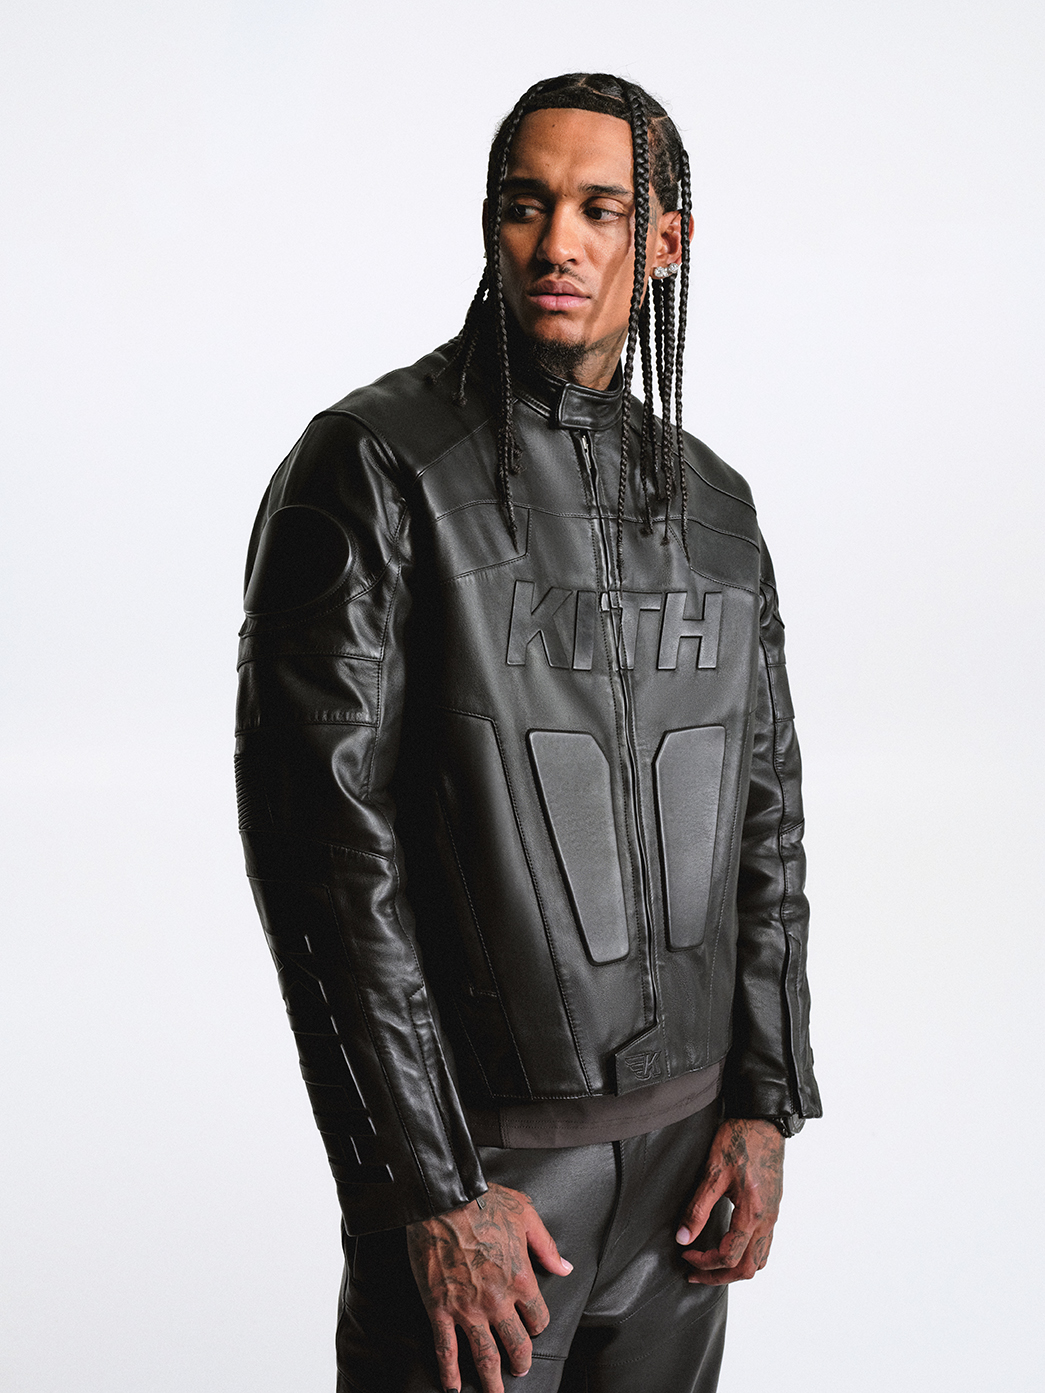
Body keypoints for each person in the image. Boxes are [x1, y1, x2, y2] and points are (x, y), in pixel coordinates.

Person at [235, 72, 821, 1393]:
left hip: (685, 1177)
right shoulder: (378, 466)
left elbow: (765, 820)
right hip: (486, 1173)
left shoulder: (716, 509)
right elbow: (323, 852)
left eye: (600, 209)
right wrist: (423, 1184)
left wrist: (764, 1100)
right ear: (490, 223)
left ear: (663, 240)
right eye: (526, 204)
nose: (558, 242)